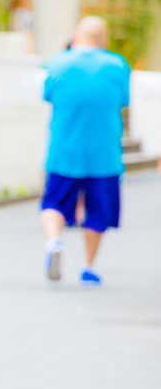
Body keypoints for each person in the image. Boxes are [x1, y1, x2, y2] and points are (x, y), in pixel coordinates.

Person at [40, 15, 129, 287]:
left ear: (76, 37)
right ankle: (88, 267)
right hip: (105, 155)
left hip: (64, 151)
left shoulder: (58, 63)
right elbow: (123, 101)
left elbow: (47, 95)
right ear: (103, 41)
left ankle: (54, 241)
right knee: (98, 213)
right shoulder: (117, 66)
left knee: (53, 203)